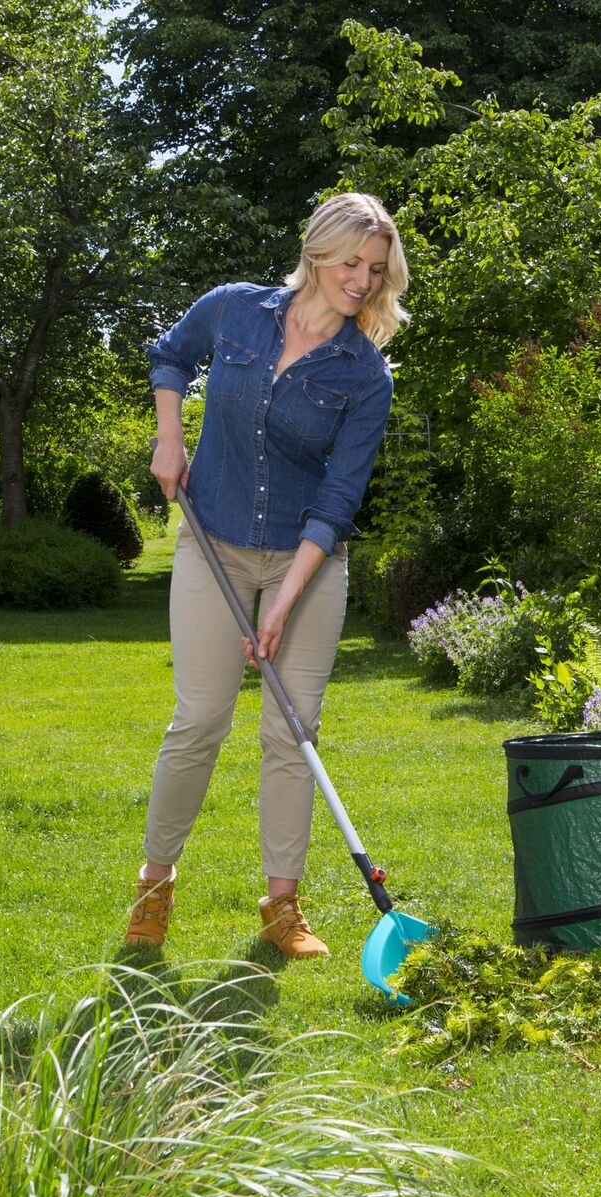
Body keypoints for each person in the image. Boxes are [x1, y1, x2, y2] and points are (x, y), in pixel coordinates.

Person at [124, 192, 408, 958]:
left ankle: (282, 908)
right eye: (351, 262)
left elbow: (339, 498)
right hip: (213, 538)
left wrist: (283, 603)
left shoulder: (365, 375)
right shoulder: (235, 311)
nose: (362, 281)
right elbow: (170, 354)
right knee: (200, 719)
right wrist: (168, 435)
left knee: (292, 731)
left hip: (304, 558)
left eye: (375, 270)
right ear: (317, 251)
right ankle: (153, 886)